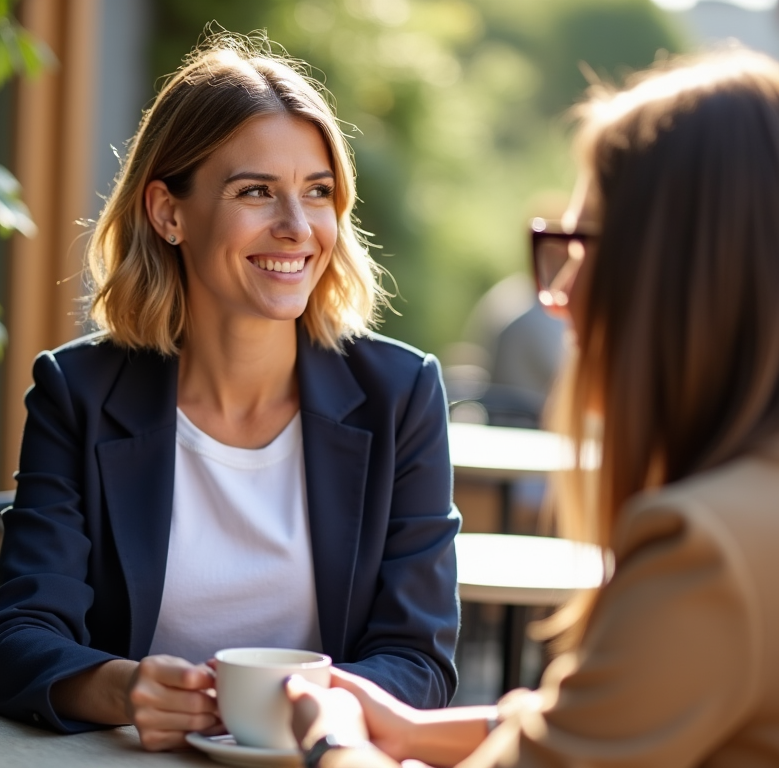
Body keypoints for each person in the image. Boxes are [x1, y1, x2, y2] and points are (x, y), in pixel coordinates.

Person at [284, 48, 779, 767]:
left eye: (582, 249)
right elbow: (601, 720)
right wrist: (416, 732)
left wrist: (330, 738)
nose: (563, 298)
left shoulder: (707, 550)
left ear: (675, 271)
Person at [0, 31, 461, 751]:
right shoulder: (77, 393)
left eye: (317, 193)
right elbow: (16, 635)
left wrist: (309, 710)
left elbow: (419, 658)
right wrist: (124, 688)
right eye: (256, 191)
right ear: (168, 213)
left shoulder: (401, 395)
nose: (297, 228)